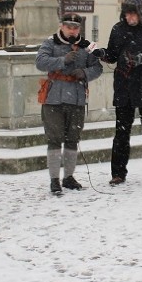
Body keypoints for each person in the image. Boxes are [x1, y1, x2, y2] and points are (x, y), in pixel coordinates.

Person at [97, 0, 142, 186]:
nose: (130, 17)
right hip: (124, 87)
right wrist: (102, 54)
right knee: (121, 134)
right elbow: (112, 55)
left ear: (141, 13)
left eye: (133, 13)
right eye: (127, 13)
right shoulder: (118, 29)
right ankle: (118, 173)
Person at [35, 13, 103, 194]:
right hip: (54, 99)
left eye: (75, 27)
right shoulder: (50, 43)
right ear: (61, 26)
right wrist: (62, 60)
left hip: (77, 98)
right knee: (55, 140)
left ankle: (68, 177)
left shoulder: (87, 46)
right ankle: (54, 179)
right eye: (68, 26)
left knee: (73, 139)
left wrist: (85, 72)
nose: (72, 30)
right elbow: (40, 62)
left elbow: (98, 67)